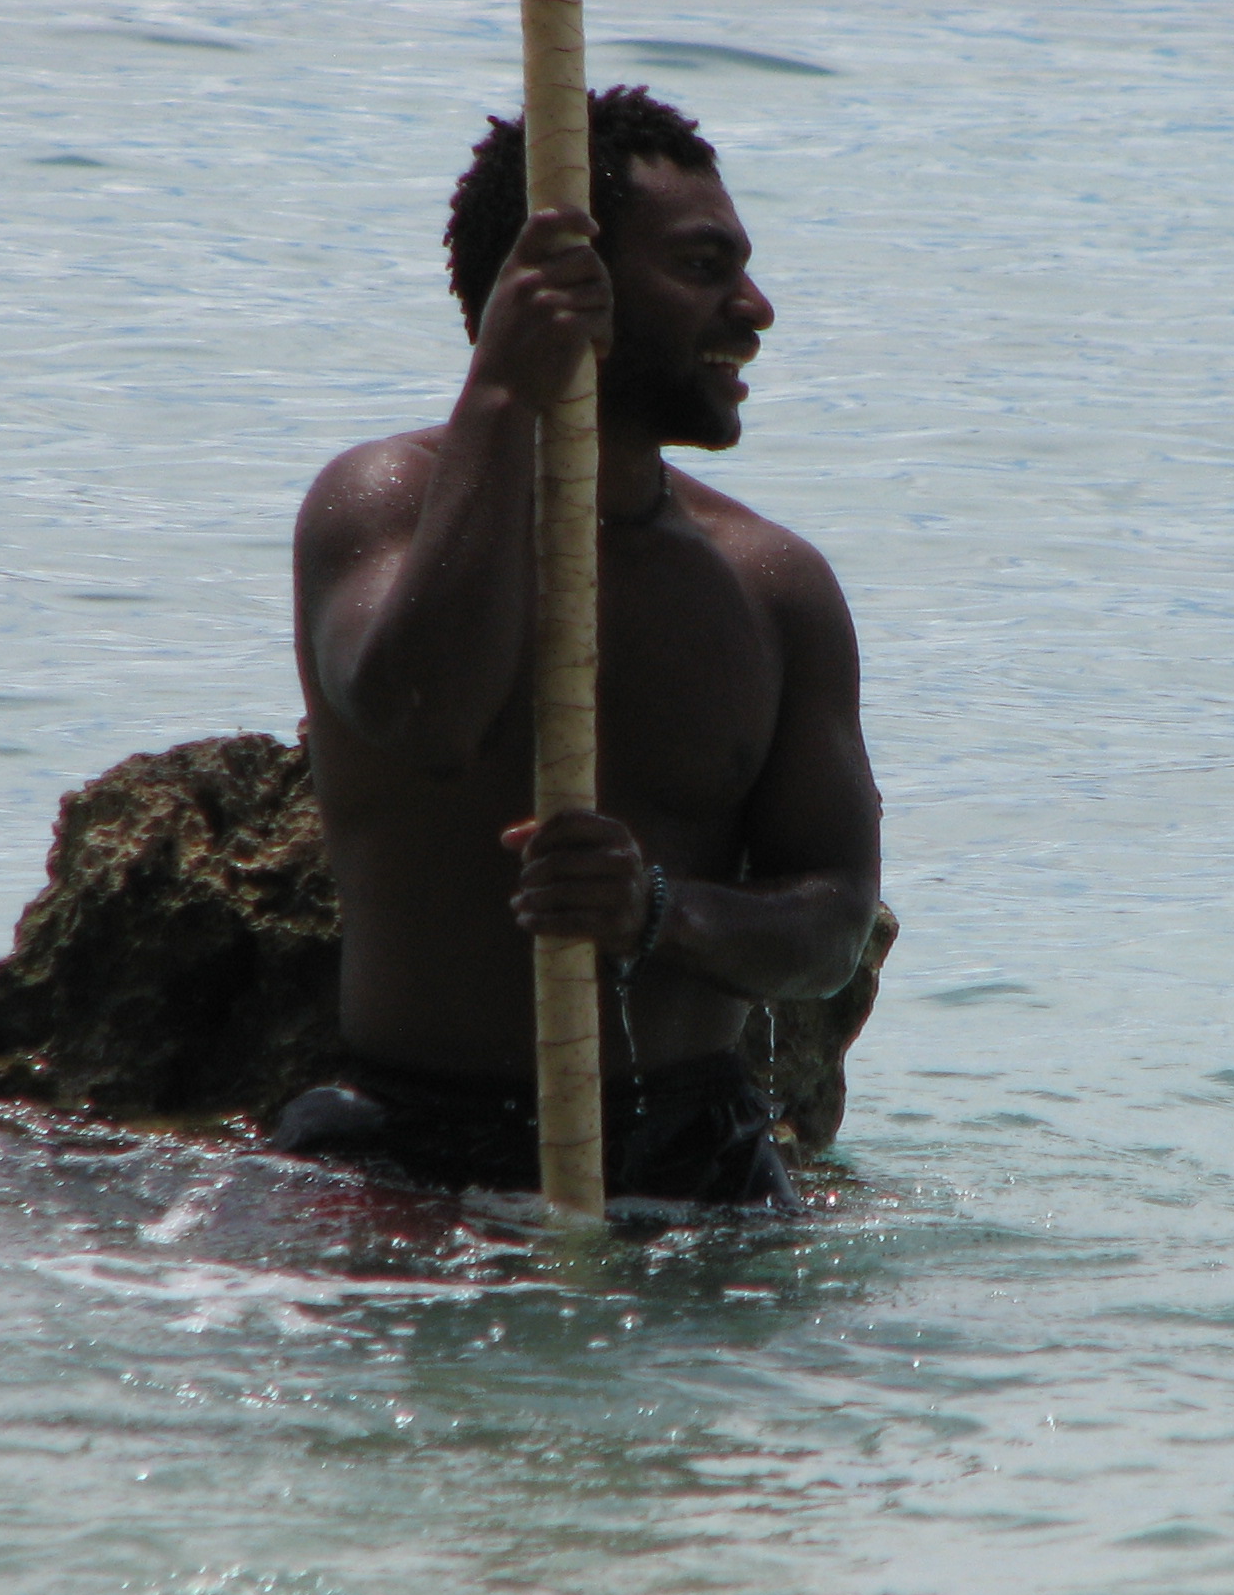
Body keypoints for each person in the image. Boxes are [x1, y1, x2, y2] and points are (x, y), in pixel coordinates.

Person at [279, 87, 881, 1208]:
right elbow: (425, 715)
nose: (753, 310)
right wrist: (508, 384)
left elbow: (833, 923)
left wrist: (657, 912)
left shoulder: (771, 585)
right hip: (410, 1151)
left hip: (696, 1155)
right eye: (701, 267)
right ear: (558, 285)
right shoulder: (381, 504)